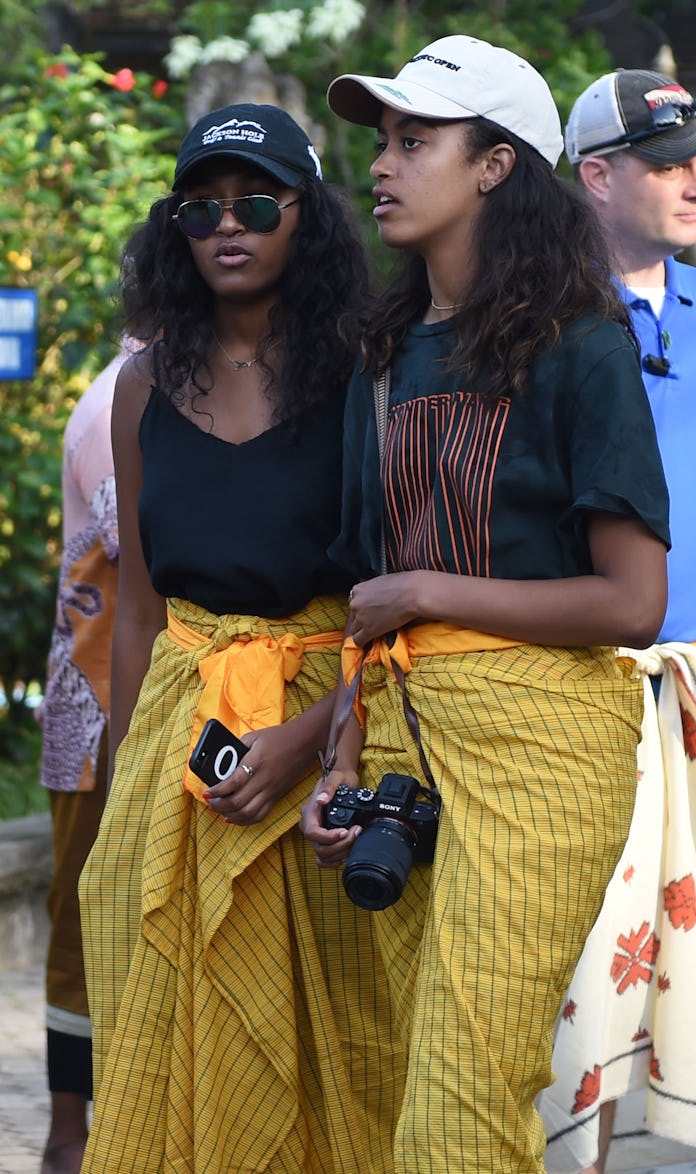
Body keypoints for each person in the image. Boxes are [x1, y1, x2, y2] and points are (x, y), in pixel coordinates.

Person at [300, 35, 672, 1174]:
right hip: (406, 742)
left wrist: (428, 587)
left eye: (417, 139)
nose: (384, 161)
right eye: (382, 139)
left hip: (545, 743)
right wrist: (338, 757)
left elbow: (634, 597)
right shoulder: (380, 356)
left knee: (464, 1087)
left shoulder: (579, 345)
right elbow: (366, 597)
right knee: (399, 1067)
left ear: (498, 165)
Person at [78, 103, 404, 1173]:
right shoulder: (141, 384)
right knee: (164, 1023)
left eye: (257, 203)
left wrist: (312, 736)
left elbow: (402, 598)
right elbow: (134, 605)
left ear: (303, 219)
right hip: (186, 739)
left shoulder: (371, 373)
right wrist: (136, 785)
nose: (229, 225)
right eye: (200, 209)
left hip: (327, 733)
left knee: (328, 1046)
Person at [538, 68, 696, 1174]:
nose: (692, 180)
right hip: (581, 699)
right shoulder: (530, 327)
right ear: (594, 176)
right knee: (579, 999)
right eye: (666, 162)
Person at [38, 339, 133, 1174]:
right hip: (98, 713)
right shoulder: (117, 403)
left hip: (131, 697)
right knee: (81, 926)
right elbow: (141, 541)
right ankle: (69, 1137)